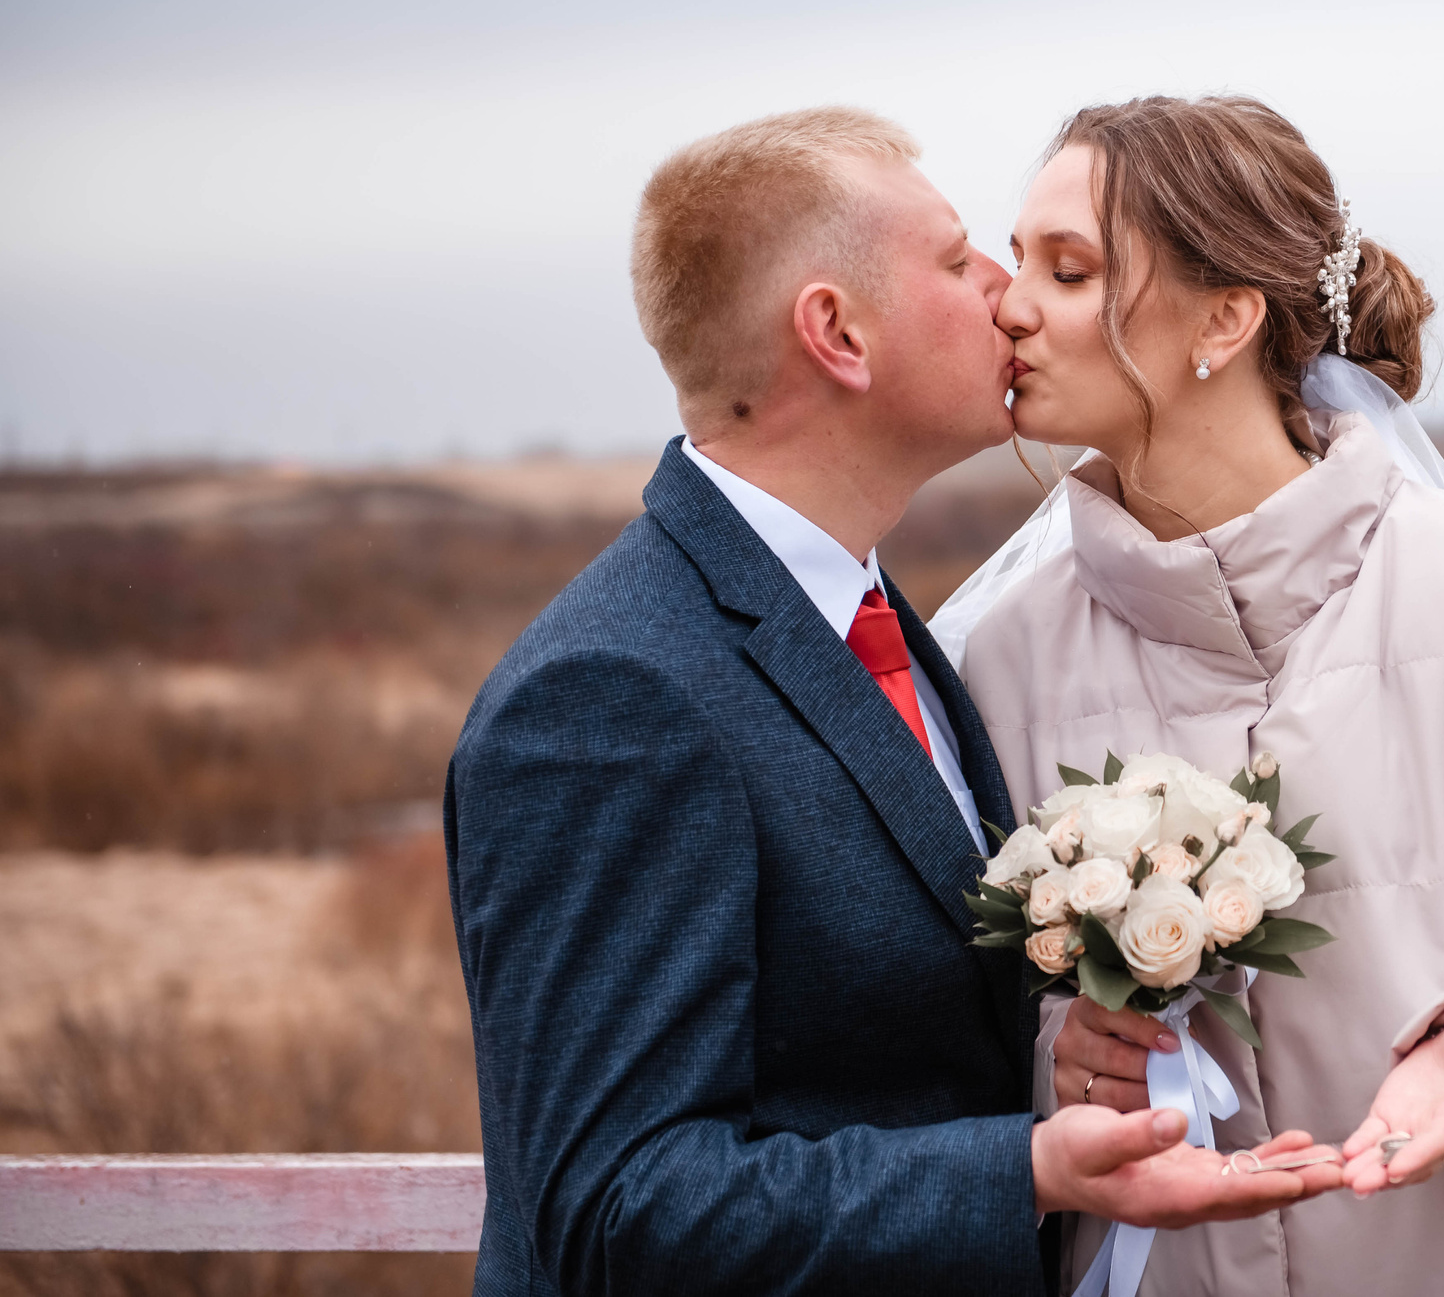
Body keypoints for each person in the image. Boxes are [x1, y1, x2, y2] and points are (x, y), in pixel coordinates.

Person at [445, 107, 1342, 1297]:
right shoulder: (608, 700)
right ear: (836, 333)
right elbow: (612, 1215)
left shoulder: (897, 635)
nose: (1005, 294)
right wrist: (1025, 1173)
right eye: (958, 255)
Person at [938, 95, 1444, 1296]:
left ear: (1225, 316)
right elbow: (957, 1029)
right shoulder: (991, 657)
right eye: (1016, 264)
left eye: (1069, 270)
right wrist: (1068, 1058)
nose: (1011, 305)